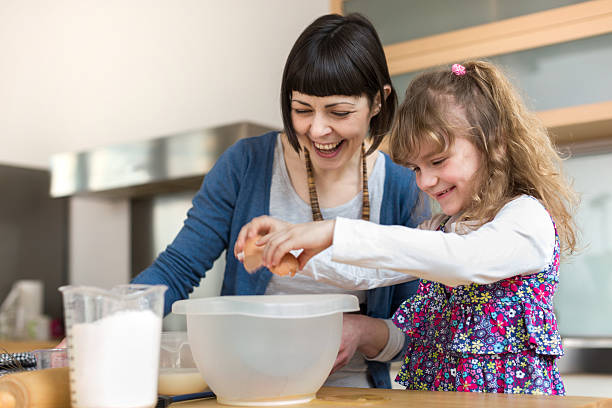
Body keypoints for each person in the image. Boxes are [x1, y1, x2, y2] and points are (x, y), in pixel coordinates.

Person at [239, 60, 578, 394]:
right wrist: (292, 248)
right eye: (416, 168)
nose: (425, 181)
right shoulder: (443, 229)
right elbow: (372, 270)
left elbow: (462, 261)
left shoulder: (525, 218)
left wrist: (333, 231)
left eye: (438, 161)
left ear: (495, 143)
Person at [132, 13, 429, 389]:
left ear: (377, 102)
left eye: (339, 112)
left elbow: (420, 330)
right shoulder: (246, 164)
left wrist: (362, 330)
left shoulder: (405, 186)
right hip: (247, 387)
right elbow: (176, 269)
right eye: (302, 109)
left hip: (355, 394)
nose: (318, 130)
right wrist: (105, 327)